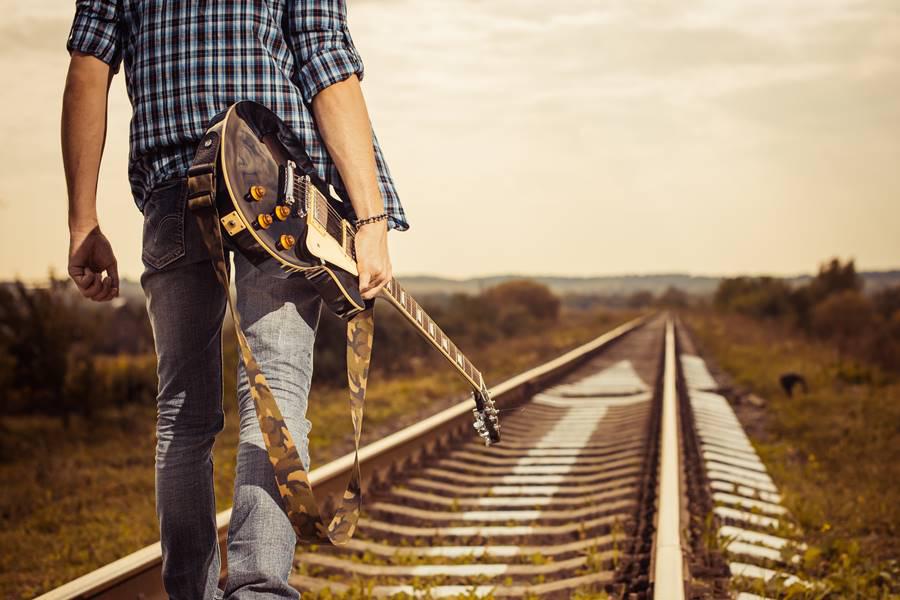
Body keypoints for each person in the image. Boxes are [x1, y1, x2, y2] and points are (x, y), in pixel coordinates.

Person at [61, 1, 408, 598]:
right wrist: (370, 216)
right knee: (274, 397)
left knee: (183, 416)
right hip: (274, 189)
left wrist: (82, 220)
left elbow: (90, 64)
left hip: (175, 186)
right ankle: (258, 590)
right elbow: (323, 56)